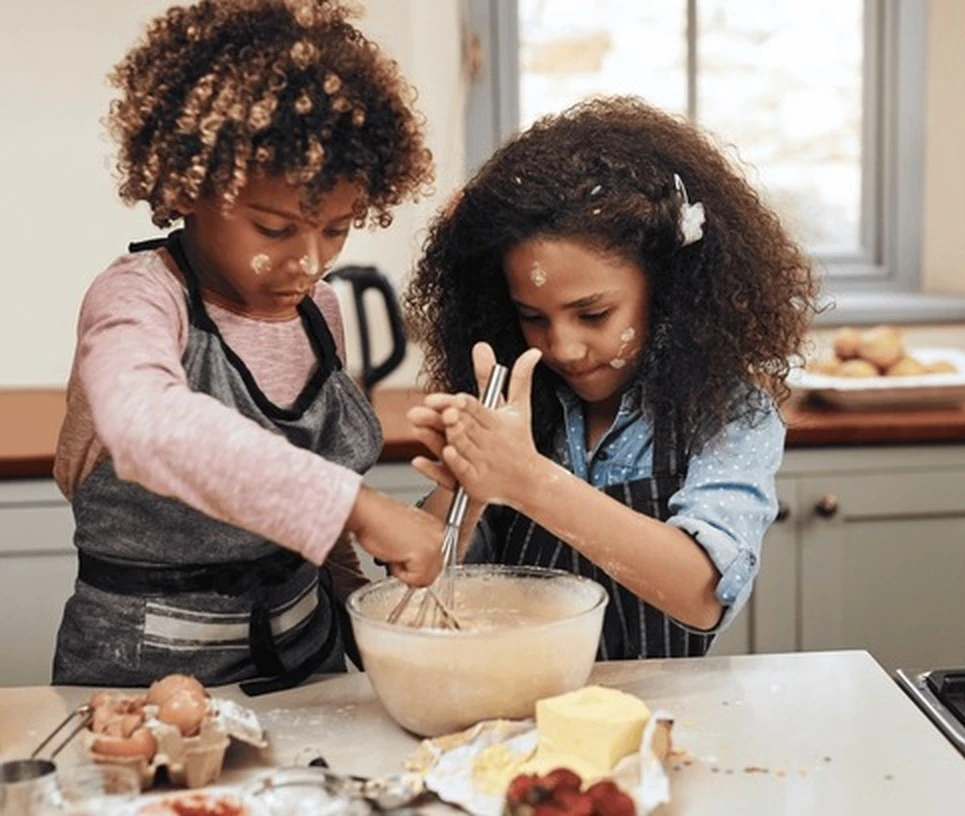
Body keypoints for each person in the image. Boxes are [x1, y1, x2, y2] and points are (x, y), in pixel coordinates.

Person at [53, 0, 445, 694]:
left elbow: (311, 485)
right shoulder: (139, 299)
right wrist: (356, 506)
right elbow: (146, 425)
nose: (311, 262)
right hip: (143, 676)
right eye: (274, 229)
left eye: (337, 229)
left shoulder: (319, 312)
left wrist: (359, 610)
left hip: (306, 660)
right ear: (189, 187)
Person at [404, 96, 818, 660]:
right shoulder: (508, 397)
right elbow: (425, 584)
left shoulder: (729, 414)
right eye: (532, 317)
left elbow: (703, 594)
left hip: (664, 704)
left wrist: (529, 481)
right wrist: (464, 494)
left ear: (668, 291)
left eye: (594, 314)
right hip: (518, 690)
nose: (562, 347)